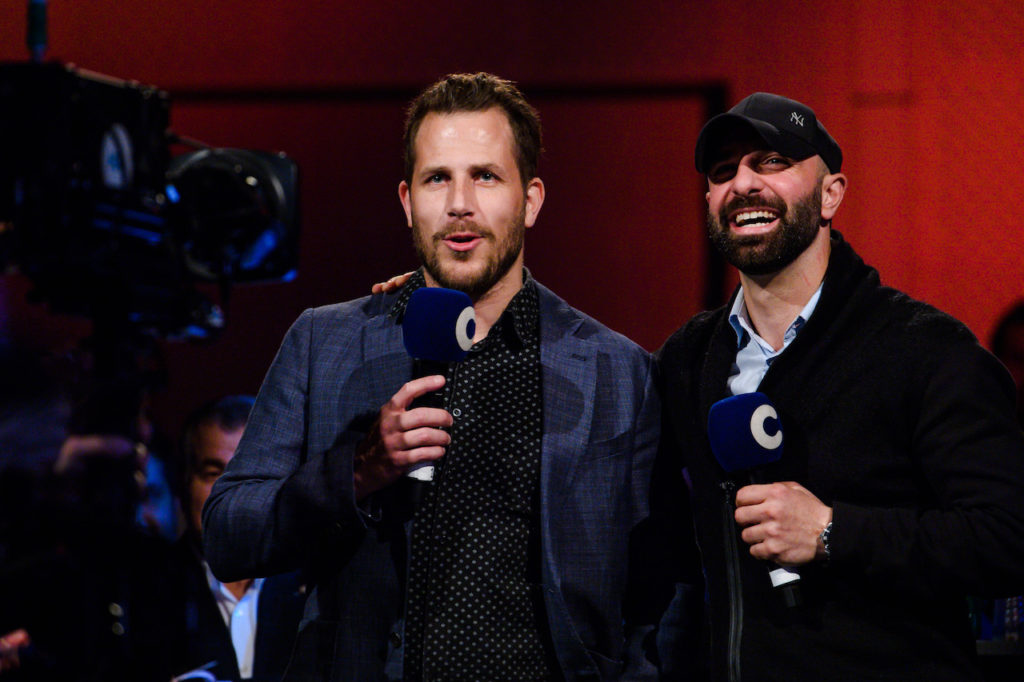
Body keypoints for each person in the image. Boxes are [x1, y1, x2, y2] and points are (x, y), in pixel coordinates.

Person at [202, 72, 685, 681]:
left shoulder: (618, 371)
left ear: (531, 200)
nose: (460, 203)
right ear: (408, 202)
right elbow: (228, 534)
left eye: (485, 175)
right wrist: (355, 472)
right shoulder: (324, 343)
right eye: (438, 178)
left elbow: (662, 590)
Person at [657, 92, 1024, 681]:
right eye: (723, 172)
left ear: (832, 194)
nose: (743, 183)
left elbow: (1007, 539)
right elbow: (668, 554)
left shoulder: (927, 351)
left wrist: (833, 532)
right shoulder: (685, 360)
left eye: (771, 162)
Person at [172, 395, 306, 682]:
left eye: (248, 475)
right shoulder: (148, 587)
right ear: (183, 483)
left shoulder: (314, 587)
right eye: (213, 473)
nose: (230, 494)